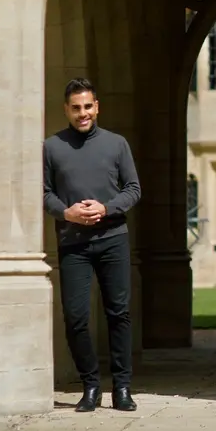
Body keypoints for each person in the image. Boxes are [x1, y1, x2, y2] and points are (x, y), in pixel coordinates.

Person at [43, 78, 142, 413]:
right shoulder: (52, 147)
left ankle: (123, 387)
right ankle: (90, 387)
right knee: (76, 317)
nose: (82, 113)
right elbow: (43, 192)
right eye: (76, 108)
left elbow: (133, 188)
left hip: (113, 240)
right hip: (73, 244)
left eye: (87, 107)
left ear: (96, 107)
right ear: (66, 110)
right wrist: (65, 211)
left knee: (119, 313)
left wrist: (107, 207)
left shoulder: (117, 145)